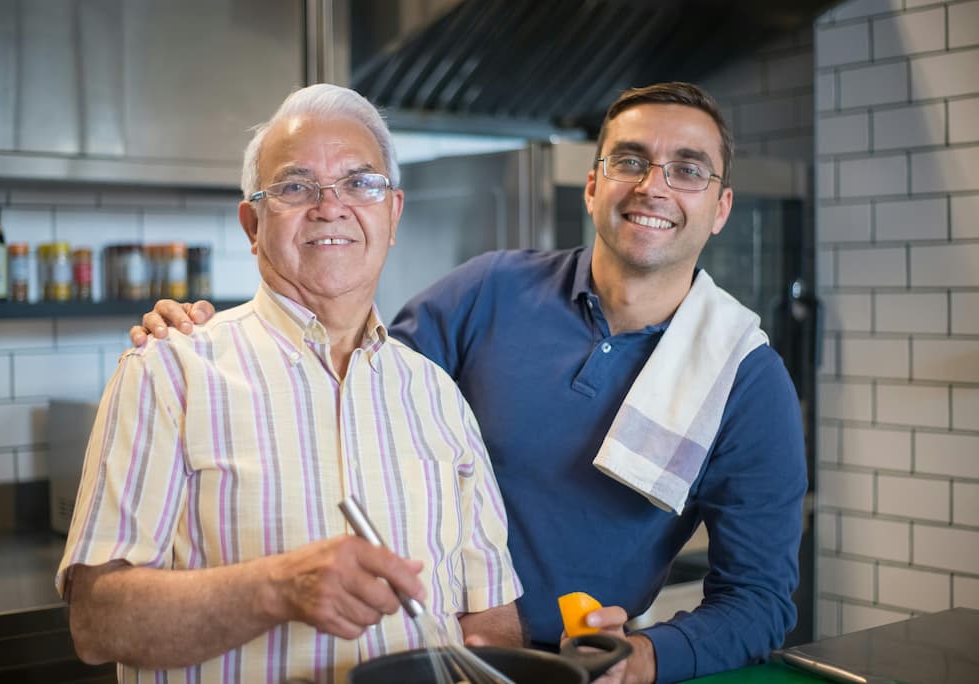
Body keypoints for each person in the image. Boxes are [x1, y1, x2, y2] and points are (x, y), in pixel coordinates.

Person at [133, 82, 807, 684]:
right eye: (630, 160)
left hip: (580, 665)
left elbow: (759, 599)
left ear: (720, 207)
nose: (653, 186)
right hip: (415, 649)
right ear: (594, 185)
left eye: (687, 170)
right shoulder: (492, 290)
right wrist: (222, 335)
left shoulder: (743, 378)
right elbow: (348, 382)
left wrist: (646, 656)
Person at [57, 83, 524, 684]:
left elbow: (486, 613)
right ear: (253, 224)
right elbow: (98, 622)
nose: (331, 206)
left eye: (360, 183)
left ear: (393, 212)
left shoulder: (438, 397)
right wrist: (276, 588)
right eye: (296, 186)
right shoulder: (169, 371)